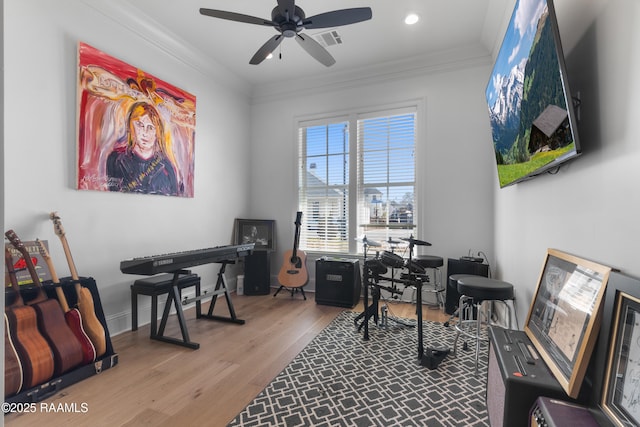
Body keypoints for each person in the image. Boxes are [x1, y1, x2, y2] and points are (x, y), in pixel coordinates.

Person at [106, 102, 178, 195]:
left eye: (151, 127)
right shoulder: (115, 160)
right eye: (140, 125)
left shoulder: (166, 167)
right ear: (131, 127)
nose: (145, 132)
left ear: (157, 133)